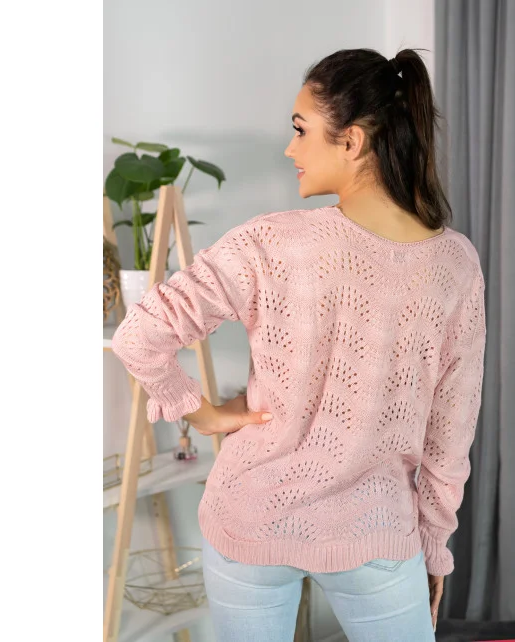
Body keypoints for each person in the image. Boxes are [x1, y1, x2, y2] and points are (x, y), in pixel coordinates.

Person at [111, 47, 486, 642]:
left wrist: (204, 415)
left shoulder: (271, 243)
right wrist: (434, 548)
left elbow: (139, 334)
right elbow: (451, 433)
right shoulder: (455, 265)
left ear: (352, 141)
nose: (290, 149)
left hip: (250, 518)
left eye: (300, 129)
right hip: (377, 532)